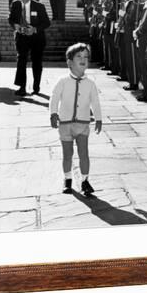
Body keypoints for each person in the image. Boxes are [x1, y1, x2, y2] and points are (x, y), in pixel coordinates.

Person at [50, 43, 102, 195]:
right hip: (65, 124)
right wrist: (53, 113)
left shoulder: (90, 83)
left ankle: (85, 180)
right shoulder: (63, 81)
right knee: (67, 154)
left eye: (86, 57)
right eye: (78, 56)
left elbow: (95, 102)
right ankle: (67, 180)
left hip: (83, 124)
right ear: (69, 62)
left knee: (84, 153)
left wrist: (98, 118)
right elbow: (54, 98)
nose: (83, 59)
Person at [8, 0, 50, 96]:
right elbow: (11, 19)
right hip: (21, 37)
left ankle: (36, 87)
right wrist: (15, 25)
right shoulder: (15, 4)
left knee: (36, 62)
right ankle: (22, 87)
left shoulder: (39, 6)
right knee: (21, 60)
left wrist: (35, 29)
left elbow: (46, 23)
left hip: (37, 38)